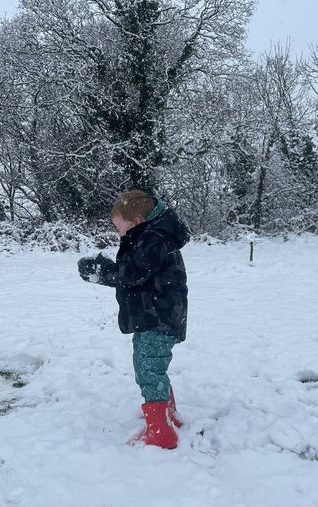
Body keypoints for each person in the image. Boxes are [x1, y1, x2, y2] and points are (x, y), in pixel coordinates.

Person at [77, 190, 189, 448]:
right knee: (151, 365)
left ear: (137, 221)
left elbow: (131, 273)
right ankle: (167, 414)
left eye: (119, 227)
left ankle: (161, 432)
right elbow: (135, 272)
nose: (119, 233)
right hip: (156, 314)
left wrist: (101, 270)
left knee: (148, 369)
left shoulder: (154, 239)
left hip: (158, 316)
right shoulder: (153, 235)